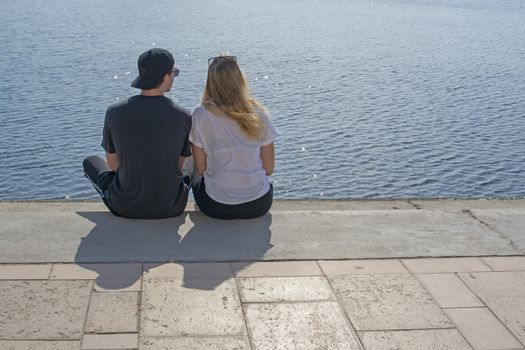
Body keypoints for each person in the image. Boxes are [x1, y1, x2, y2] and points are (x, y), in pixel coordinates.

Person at [83, 48, 192, 219]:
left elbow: (112, 164)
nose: (174, 77)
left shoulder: (114, 112)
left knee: (90, 162)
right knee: (191, 159)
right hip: (171, 206)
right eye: (174, 73)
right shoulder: (184, 116)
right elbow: (178, 166)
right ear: (165, 76)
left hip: (125, 206)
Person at [190, 55, 277, 219]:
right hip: (259, 204)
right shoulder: (258, 113)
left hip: (216, 206)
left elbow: (201, 169)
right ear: (240, 80)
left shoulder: (200, 114)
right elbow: (269, 169)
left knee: (193, 166)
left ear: (210, 82)